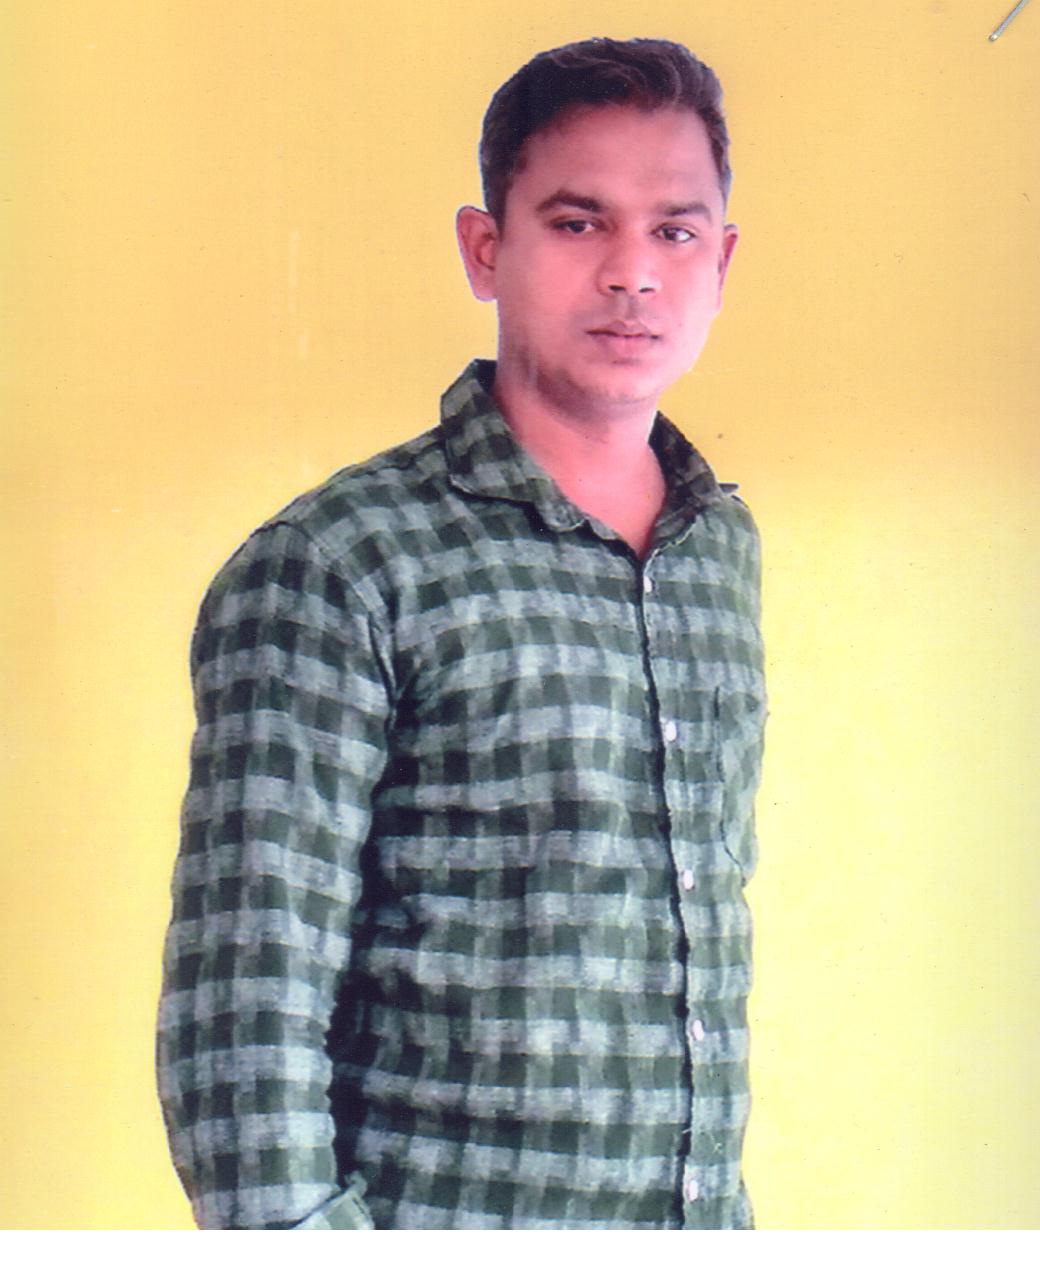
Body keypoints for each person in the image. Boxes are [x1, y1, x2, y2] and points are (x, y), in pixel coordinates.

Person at [157, 35, 766, 1230]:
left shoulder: (717, 548)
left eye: (673, 231)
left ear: (720, 261)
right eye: (577, 223)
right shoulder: (341, 562)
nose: (632, 273)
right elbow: (241, 1025)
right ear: (486, 249)